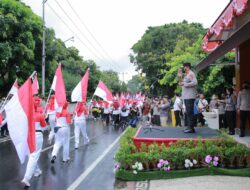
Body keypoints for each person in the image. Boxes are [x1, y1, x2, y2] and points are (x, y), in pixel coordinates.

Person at [21, 98, 47, 187]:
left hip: (28, 136)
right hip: (37, 135)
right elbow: (45, 127)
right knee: (34, 156)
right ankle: (26, 178)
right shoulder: (39, 115)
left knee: (31, 155)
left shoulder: (26, 114)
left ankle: (37, 171)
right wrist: (43, 117)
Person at [178, 62, 198, 133]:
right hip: (186, 96)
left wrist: (185, 84)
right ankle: (190, 127)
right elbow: (180, 83)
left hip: (190, 96)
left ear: (187, 67)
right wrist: (179, 76)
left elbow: (195, 82)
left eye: (183, 67)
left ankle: (191, 128)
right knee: (188, 112)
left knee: (190, 112)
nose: (182, 68)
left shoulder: (191, 74)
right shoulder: (186, 75)